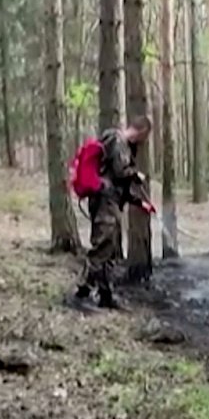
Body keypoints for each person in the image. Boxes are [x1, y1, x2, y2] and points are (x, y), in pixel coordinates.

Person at [69, 115, 154, 311]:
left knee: (112, 249)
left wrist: (140, 202)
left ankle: (105, 295)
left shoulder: (123, 146)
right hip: (104, 202)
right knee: (102, 246)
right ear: (141, 132)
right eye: (144, 137)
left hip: (113, 202)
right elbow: (119, 172)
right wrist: (136, 174)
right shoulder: (117, 140)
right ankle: (81, 293)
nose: (143, 143)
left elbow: (120, 186)